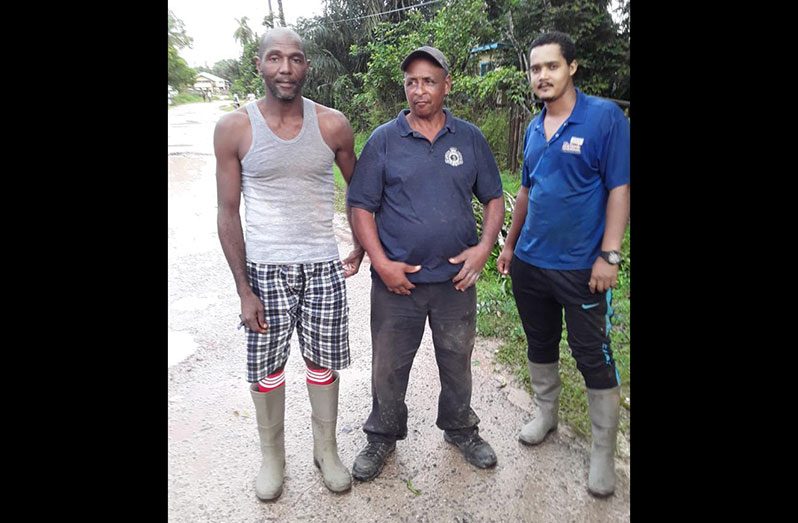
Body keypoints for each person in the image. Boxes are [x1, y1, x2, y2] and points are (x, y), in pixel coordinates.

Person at [213, 27, 365, 501]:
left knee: (321, 362)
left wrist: (360, 245)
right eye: (275, 58)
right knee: (265, 366)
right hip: (264, 268)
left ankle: (326, 450)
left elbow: (358, 194)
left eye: (295, 59)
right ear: (259, 64)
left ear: (306, 66)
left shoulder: (333, 125)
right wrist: (243, 288)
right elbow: (227, 211)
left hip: (322, 265)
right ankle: (272, 457)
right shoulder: (234, 128)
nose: (285, 68)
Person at [347, 46, 505, 481]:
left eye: (429, 81)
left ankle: (460, 428)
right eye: (411, 82)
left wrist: (484, 247)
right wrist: (381, 263)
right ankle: (382, 435)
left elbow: (493, 197)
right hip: (398, 285)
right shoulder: (383, 140)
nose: (419, 90)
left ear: (446, 85)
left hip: (455, 283)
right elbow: (361, 206)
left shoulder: (469, 138)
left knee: (457, 359)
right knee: (389, 364)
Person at [496, 31, 630, 498]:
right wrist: (509, 246)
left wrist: (609, 255)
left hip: (581, 268)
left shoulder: (604, 119)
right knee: (540, 341)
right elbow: (527, 193)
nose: (542, 76)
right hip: (531, 264)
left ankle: (601, 452)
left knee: (593, 354)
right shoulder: (534, 129)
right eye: (535, 69)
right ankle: (545, 414)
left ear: (571, 67)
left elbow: (619, 188)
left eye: (551, 66)